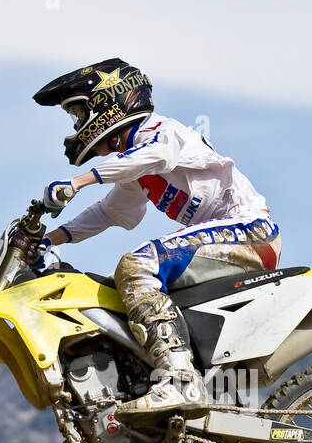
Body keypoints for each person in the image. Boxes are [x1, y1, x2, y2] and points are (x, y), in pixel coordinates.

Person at [32, 59, 281, 420]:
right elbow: (111, 212)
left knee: (139, 263)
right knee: (136, 279)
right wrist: (48, 240)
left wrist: (78, 182)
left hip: (248, 229)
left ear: (107, 103)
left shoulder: (161, 132)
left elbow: (156, 157)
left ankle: (179, 380)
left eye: (79, 112)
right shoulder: (136, 163)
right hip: (227, 241)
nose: (77, 124)